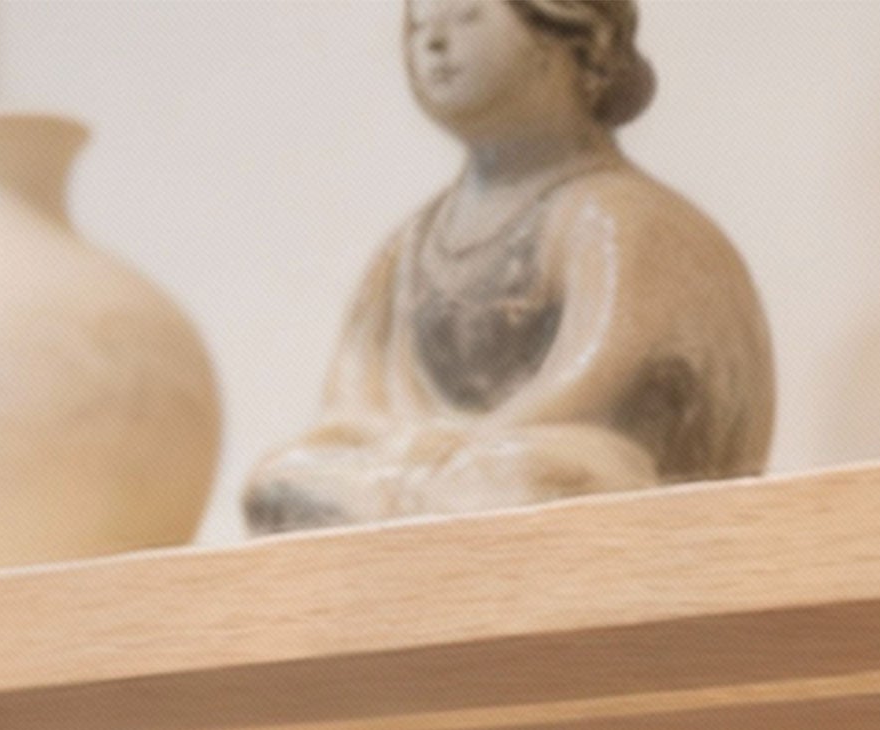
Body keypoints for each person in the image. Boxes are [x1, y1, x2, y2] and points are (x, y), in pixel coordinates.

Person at [246, 0, 773, 532]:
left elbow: (597, 379)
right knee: (282, 477)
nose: (434, 43)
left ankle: (423, 501)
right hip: (433, 467)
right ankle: (411, 502)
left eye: (467, 16)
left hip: (547, 457)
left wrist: (472, 443)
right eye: (419, 26)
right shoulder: (410, 244)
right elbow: (354, 398)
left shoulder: (616, 217)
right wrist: (395, 446)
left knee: (525, 475)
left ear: (572, 37)